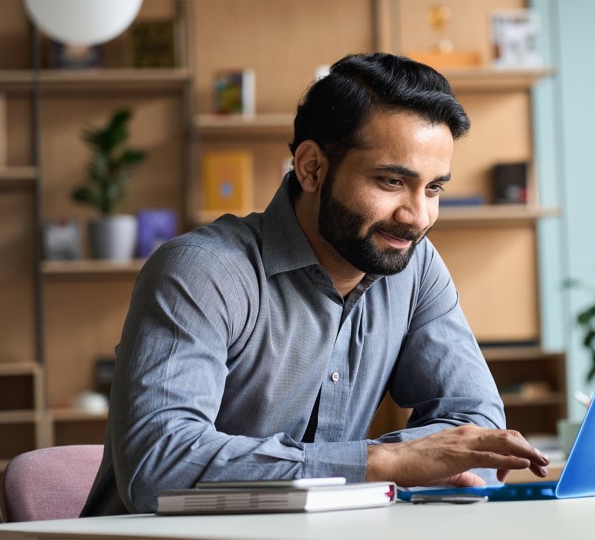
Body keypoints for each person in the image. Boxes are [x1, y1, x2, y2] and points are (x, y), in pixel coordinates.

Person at [81, 53, 549, 516]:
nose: (418, 217)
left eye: (433, 189)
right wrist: (385, 462)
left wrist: (408, 463)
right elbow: (159, 467)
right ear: (311, 168)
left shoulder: (415, 266)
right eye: (390, 181)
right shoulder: (201, 271)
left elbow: (478, 427)